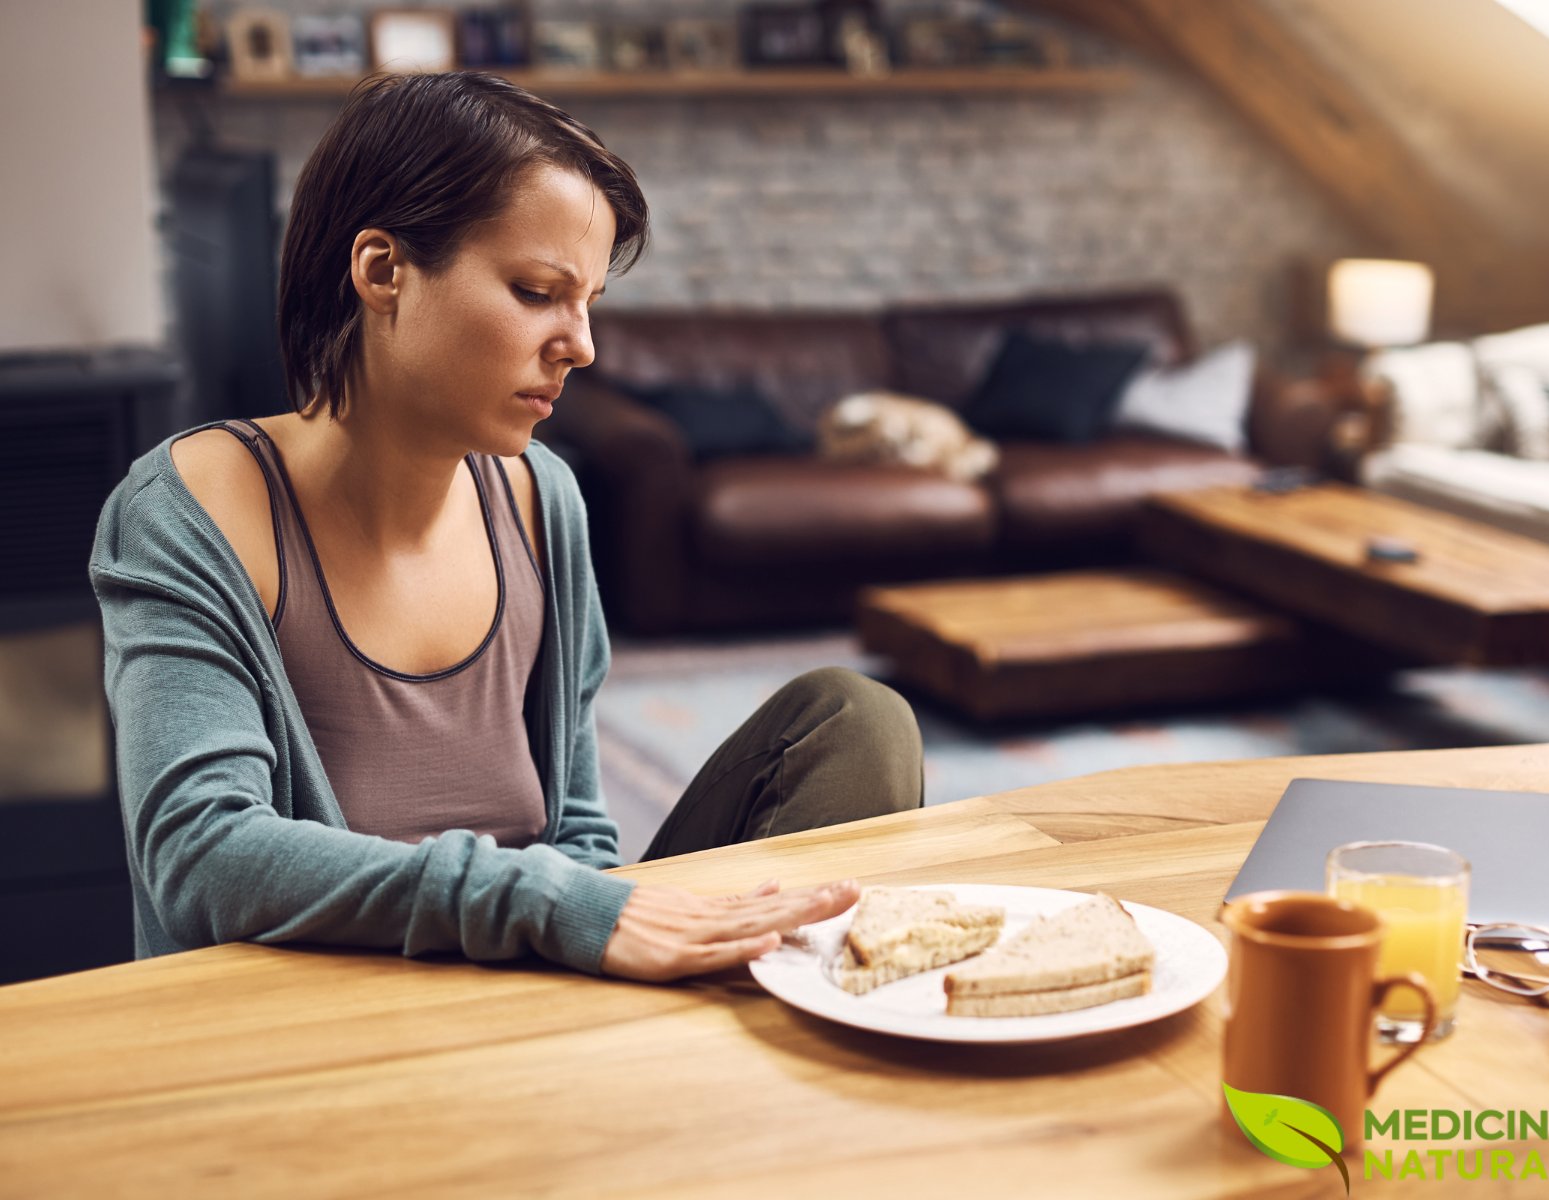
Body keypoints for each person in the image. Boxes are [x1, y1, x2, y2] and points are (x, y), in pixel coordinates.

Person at [90, 71, 924, 984]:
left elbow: (575, 831)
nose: (582, 344)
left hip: (536, 1005)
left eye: (589, 302)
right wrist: (554, 907)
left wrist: (607, 925)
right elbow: (203, 857)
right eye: (536, 291)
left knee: (856, 722)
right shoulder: (190, 511)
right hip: (316, 1038)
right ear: (382, 271)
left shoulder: (540, 500)